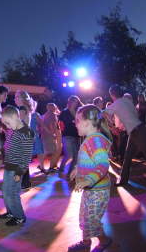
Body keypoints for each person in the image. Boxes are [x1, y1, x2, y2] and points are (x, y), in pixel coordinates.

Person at [67, 104, 112, 252]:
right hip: (91, 189)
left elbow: (102, 165)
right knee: (86, 218)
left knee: (91, 220)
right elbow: (89, 160)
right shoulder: (91, 139)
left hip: (97, 190)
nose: (75, 123)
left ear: (87, 123)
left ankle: (103, 241)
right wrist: (77, 169)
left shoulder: (95, 141)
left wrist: (88, 180)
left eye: (77, 120)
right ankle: (86, 242)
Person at [104, 85, 146, 186]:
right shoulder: (127, 101)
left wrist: (111, 125)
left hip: (136, 131)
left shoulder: (117, 103)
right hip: (137, 129)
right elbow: (135, 114)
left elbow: (103, 113)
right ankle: (123, 180)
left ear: (112, 94)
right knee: (128, 157)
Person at [0, 105, 34, 226]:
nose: (7, 127)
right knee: (5, 191)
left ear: (15, 116)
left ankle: (19, 216)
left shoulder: (27, 132)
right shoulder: (11, 130)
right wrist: (2, 151)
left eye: (7, 123)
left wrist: (20, 172)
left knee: (12, 192)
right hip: (8, 166)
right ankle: (11, 212)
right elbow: (8, 144)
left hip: (17, 169)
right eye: (5, 124)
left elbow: (27, 156)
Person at [15, 90, 43, 188]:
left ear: (23, 98)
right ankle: (25, 183)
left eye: (17, 97)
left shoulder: (22, 108)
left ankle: (24, 183)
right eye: (15, 97)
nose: (15, 99)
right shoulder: (26, 108)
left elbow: (19, 123)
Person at [59, 95, 83, 179]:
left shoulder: (78, 112)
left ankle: (70, 174)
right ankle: (61, 169)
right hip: (67, 136)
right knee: (69, 155)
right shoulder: (64, 112)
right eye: (74, 101)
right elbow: (60, 124)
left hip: (77, 136)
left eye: (77, 102)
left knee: (76, 156)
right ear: (70, 102)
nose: (75, 103)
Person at [41, 103, 62, 173]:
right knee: (54, 151)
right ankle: (51, 167)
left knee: (46, 151)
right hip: (49, 135)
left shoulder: (45, 114)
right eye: (54, 107)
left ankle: (43, 165)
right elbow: (52, 124)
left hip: (45, 135)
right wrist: (53, 133)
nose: (55, 108)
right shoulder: (52, 114)